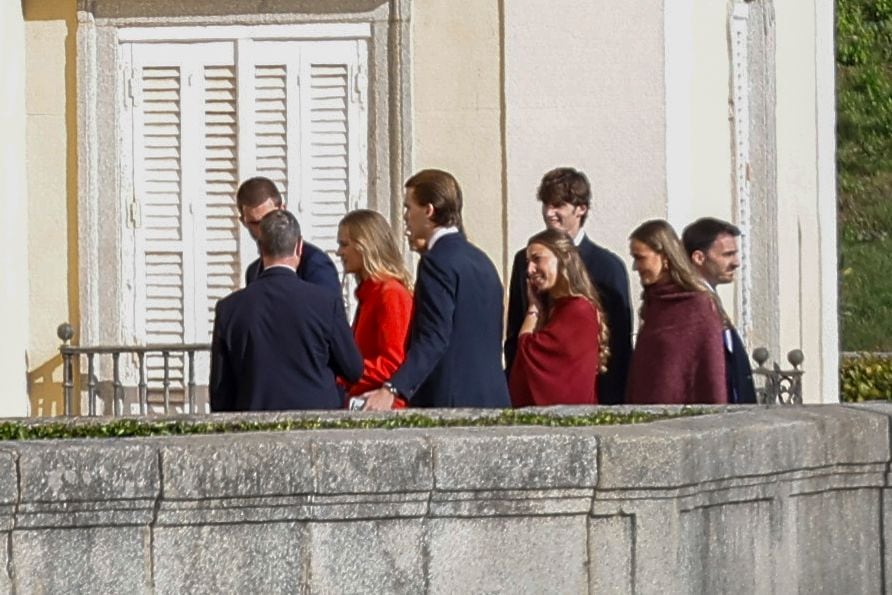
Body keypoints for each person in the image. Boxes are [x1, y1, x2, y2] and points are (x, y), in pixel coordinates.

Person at [360, 169, 510, 410]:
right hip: (493, 397)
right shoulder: (482, 260)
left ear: (428, 210)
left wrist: (393, 388)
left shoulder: (436, 262)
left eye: (409, 208)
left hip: (452, 402)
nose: (406, 216)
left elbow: (434, 337)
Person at [209, 209, 362, 411]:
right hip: (316, 424)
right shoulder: (325, 302)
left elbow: (220, 392)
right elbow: (353, 369)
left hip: (255, 427)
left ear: (260, 248)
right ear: (299, 246)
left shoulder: (229, 308)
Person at [504, 167, 632, 405]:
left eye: (558, 206)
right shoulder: (526, 260)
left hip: (588, 398)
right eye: (546, 204)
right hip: (530, 395)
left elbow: (619, 347)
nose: (550, 213)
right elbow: (514, 331)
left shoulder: (607, 267)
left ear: (580, 209)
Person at [626, 219, 728, 405]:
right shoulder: (654, 303)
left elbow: (710, 374)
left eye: (640, 258)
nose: (635, 267)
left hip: (681, 422)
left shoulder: (699, 305)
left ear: (665, 257)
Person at [508, 229, 608, 407]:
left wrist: (533, 308)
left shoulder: (579, 311)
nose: (530, 270)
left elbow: (528, 350)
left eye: (537, 259)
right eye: (528, 262)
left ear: (562, 258)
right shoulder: (559, 308)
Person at [336, 209, 414, 398]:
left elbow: (392, 363)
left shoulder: (390, 294)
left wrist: (341, 373)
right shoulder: (370, 294)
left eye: (344, 244)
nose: (339, 252)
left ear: (365, 246)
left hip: (384, 408)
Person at [682, 217, 757, 404]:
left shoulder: (710, 298)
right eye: (727, 255)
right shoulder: (692, 305)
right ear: (699, 258)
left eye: (735, 254)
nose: (736, 263)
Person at [236, 176, 340, 293]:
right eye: (255, 223)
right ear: (244, 222)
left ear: (283, 210)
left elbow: (329, 308)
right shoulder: (253, 271)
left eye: (269, 217)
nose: (264, 227)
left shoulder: (315, 264)